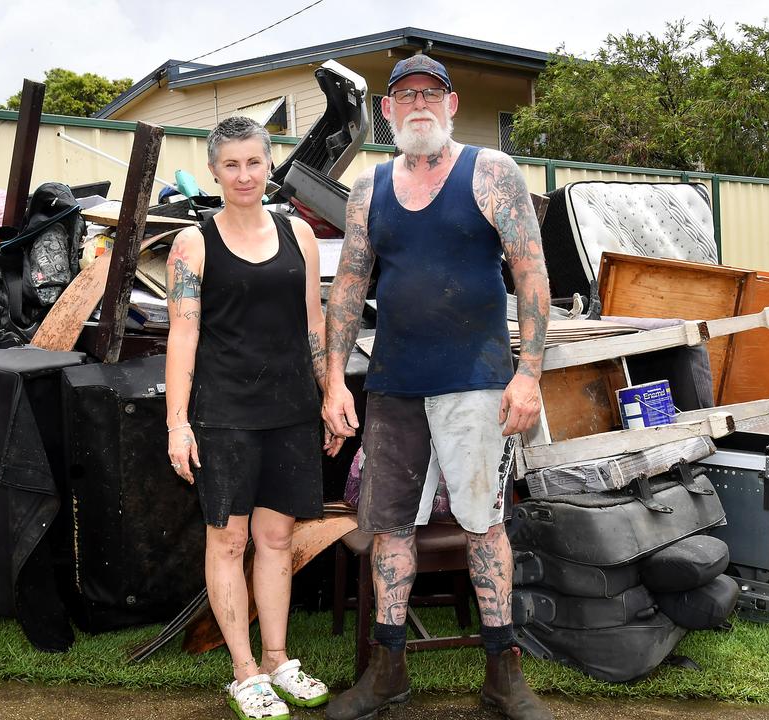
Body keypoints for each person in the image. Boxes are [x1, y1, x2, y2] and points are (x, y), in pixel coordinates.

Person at [322, 55, 553, 720]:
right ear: (387, 113)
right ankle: (387, 672)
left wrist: (529, 373)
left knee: (485, 528)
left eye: (431, 92)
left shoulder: (491, 173)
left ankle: (503, 677)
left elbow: (532, 274)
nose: (418, 102)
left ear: (451, 105)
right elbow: (349, 284)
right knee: (390, 528)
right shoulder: (369, 189)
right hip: (394, 386)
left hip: (476, 385)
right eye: (404, 95)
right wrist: (335, 379)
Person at [165, 116, 343, 720]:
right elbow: (182, 337)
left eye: (254, 162)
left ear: (271, 166)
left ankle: (276, 658)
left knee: (275, 538)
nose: (244, 175)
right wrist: (177, 421)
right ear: (214, 171)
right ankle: (243, 671)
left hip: (290, 409)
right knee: (229, 539)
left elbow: (313, 326)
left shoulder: (300, 235)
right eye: (231, 165)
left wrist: (328, 394)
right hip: (224, 416)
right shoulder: (194, 245)